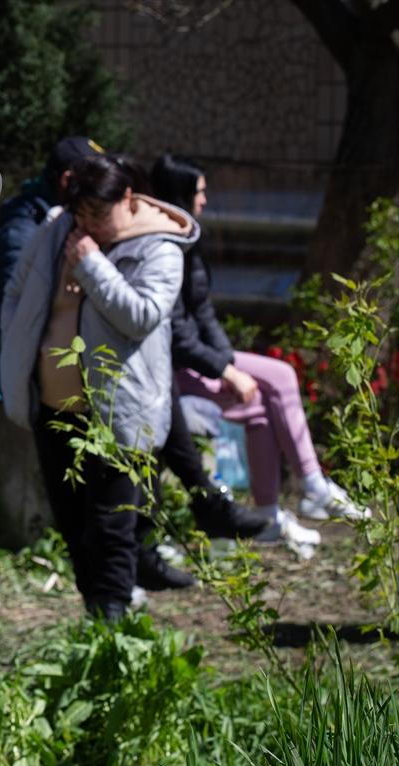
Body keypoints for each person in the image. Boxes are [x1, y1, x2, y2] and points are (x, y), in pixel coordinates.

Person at [0, 154, 198, 620]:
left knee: (113, 527)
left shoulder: (160, 247)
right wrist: (16, 346)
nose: (87, 224)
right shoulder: (57, 228)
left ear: (127, 197)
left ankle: (114, 625)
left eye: (98, 213)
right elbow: (16, 290)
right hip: (53, 407)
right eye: (81, 212)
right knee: (72, 523)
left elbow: (142, 316)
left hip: (116, 412)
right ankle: (98, 618)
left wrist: (91, 265)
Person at [151, 154, 370, 542]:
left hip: (196, 360)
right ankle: (313, 484)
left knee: (261, 407)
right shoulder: (166, 245)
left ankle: (268, 515)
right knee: (281, 375)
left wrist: (227, 363)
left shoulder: (188, 238)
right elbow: (177, 334)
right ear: (181, 194)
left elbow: (203, 313)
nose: (205, 199)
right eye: (199, 192)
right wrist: (226, 369)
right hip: (172, 370)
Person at [0, 135, 105, 381]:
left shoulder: (61, 223)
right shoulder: (23, 233)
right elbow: (17, 319)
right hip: (31, 378)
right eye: (95, 182)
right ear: (67, 180)